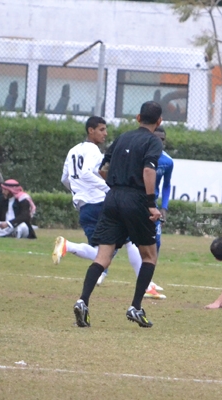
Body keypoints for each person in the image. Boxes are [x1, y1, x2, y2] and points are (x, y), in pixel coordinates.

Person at [72, 101, 164, 328]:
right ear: (159, 121)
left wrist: (117, 187)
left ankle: (83, 301)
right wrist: (151, 204)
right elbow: (148, 170)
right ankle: (135, 306)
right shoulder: (153, 141)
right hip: (136, 200)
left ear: (137, 117)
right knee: (149, 256)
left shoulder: (122, 137)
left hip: (112, 199)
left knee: (102, 257)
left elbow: (102, 169)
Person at [53, 116, 164, 299]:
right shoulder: (94, 151)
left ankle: (69, 247)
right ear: (91, 130)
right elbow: (90, 173)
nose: (105, 133)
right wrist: (109, 188)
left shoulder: (74, 150)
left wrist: (78, 192)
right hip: (99, 202)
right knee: (126, 243)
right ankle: (146, 287)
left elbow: (65, 178)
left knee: (102, 252)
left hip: (83, 205)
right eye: (102, 129)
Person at [153, 126, 174, 253]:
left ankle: (148, 272)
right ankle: (102, 271)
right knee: (119, 240)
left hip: (152, 205)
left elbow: (166, 185)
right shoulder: (138, 156)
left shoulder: (167, 161)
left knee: (156, 242)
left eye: (162, 139)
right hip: (134, 202)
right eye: (156, 139)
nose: (159, 142)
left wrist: (164, 207)